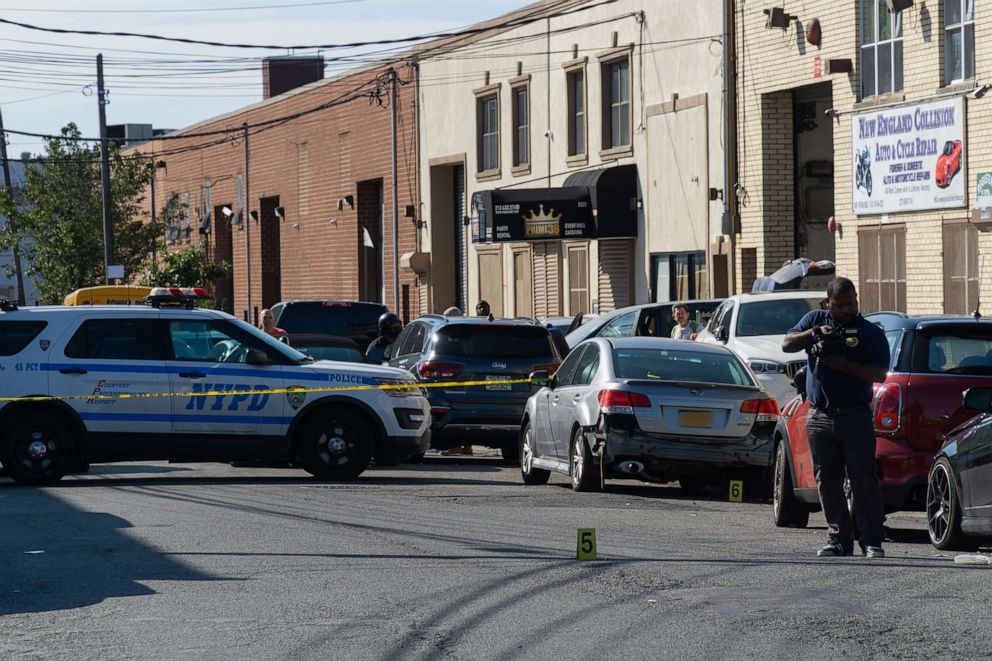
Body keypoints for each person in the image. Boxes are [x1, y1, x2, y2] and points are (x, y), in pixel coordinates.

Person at [782, 277, 890, 559]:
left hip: (855, 416)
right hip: (820, 416)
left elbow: (879, 374)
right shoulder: (815, 320)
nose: (845, 309)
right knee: (827, 480)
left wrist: (843, 365)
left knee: (862, 479)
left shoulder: (870, 333)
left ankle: (871, 540)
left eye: (849, 303)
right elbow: (787, 344)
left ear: (857, 299)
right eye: (839, 305)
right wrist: (814, 334)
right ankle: (839, 540)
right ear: (827, 303)